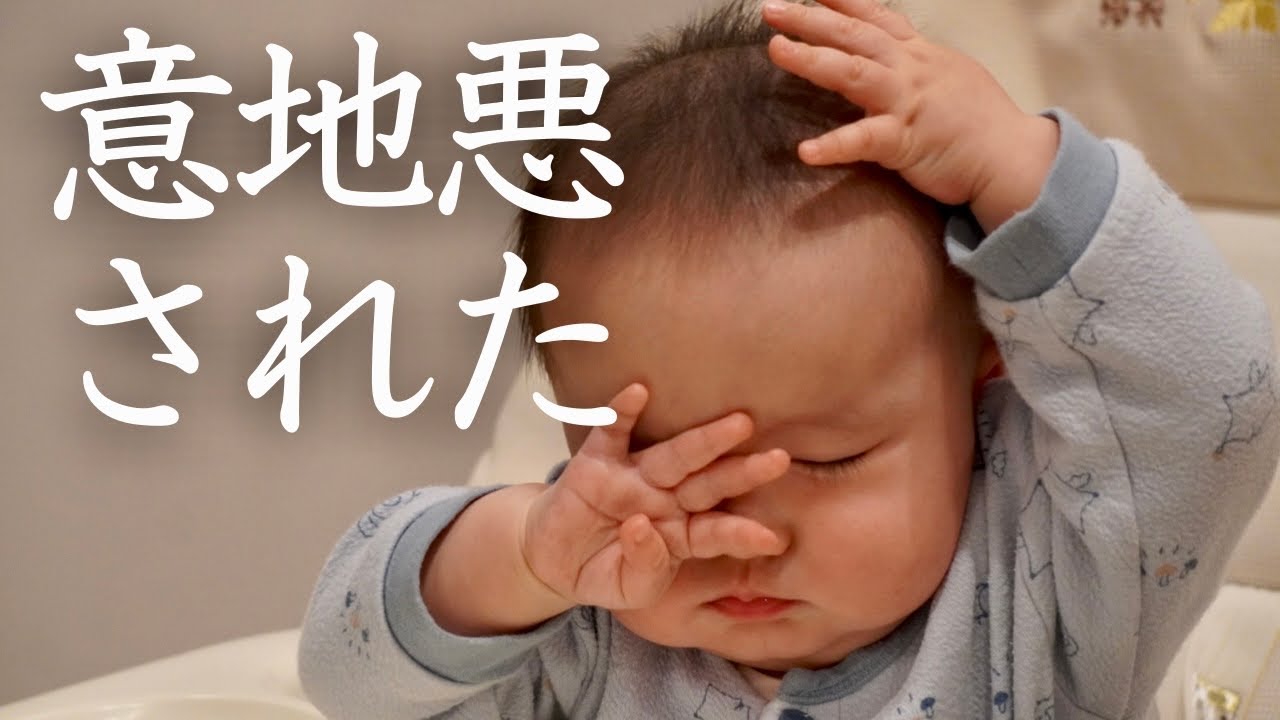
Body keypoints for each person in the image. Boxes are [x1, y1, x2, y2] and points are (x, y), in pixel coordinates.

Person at [297, 0, 1280, 717]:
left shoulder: (1049, 577)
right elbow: (344, 677)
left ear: (984, 367)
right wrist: (516, 559)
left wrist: (1006, 164)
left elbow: (1212, 395)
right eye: (665, 468)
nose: (740, 538)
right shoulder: (594, 614)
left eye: (826, 459)